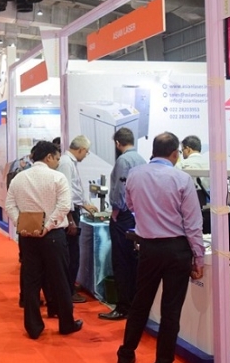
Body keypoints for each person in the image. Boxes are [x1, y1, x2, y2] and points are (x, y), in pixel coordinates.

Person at [117, 132, 205, 363]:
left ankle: (126, 354)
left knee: (140, 303)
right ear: (175, 153)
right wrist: (199, 258)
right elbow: (193, 224)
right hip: (177, 250)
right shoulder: (182, 179)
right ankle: (163, 360)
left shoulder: (135, 175)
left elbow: (130, 205)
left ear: (153, 151)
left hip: (148, 248)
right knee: (171, 311)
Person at [5, 141, 82, 339]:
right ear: (48, 157)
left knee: (31, 282)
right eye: (56, 158)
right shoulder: (58, 177)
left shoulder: (19, 178)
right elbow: (64, 206)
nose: (57, 162)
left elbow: (9, 205)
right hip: (53, 236)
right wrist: (47, 226)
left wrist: (22, 224)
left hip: (27, 236)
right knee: (60, 280)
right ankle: (66, 323)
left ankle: (33, 326)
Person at [99, 128, 146, 321]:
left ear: (118, 143)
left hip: (124, 216)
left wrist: (116, 211)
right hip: (138, 215)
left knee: (121, 261)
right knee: (133, 260)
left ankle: (122, 306)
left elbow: (120, 190)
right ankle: (133, 304)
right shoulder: (141, 160)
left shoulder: (123, 161)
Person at [56, 135, 98, 304]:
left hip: (73, 211)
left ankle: (69, 286)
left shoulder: (69, 162)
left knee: (73, 253)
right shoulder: (66, 163)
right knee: (72, 255)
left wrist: (85, 204)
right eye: (86, 152)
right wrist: (70, 219)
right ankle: (69, 290)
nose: (86, 155)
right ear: (81, 149)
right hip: (70, 213)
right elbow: (65, 192)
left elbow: (74, 190)